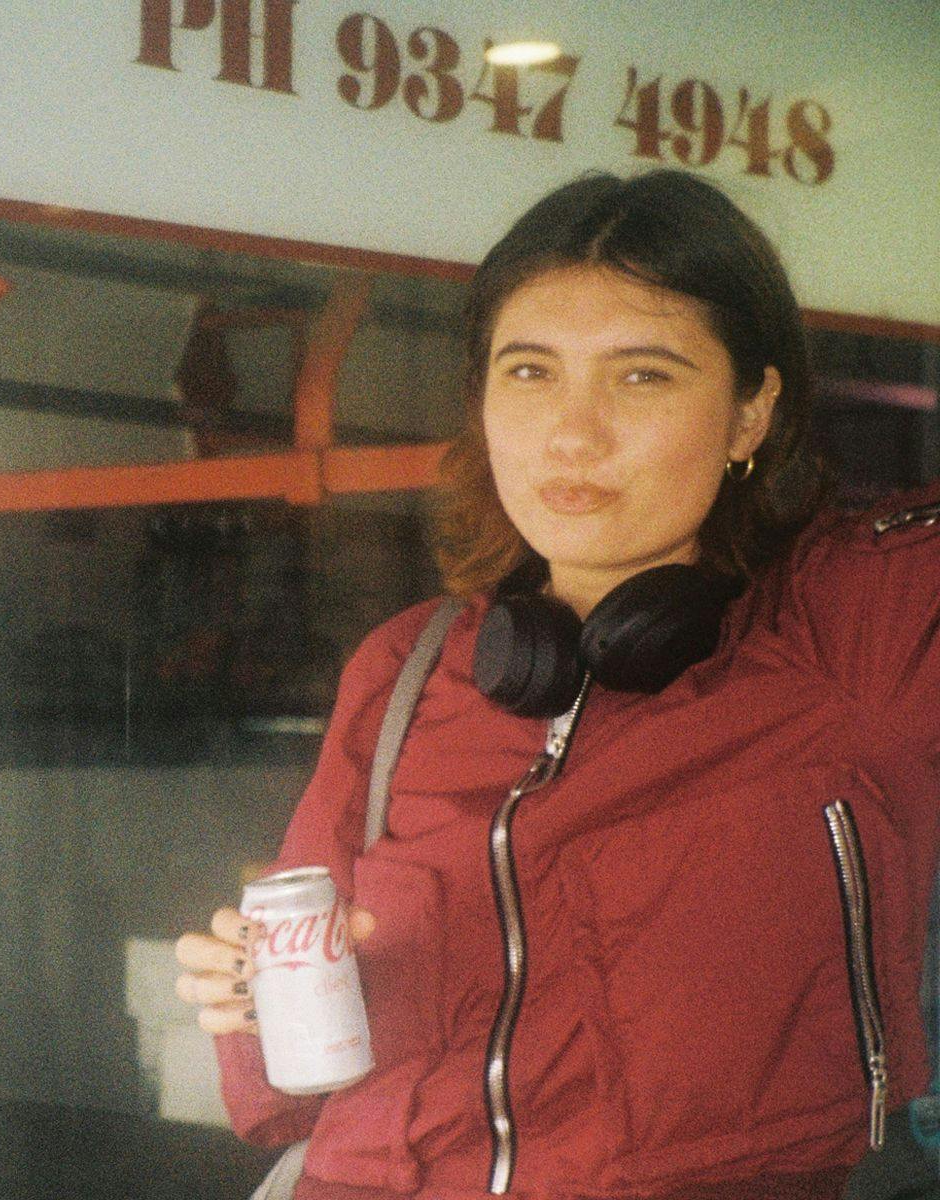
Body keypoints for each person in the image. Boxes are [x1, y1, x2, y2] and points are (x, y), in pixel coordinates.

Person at [174, 169, 940, 1200]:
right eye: (529, 372)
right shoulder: (406, 665)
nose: (571, 435)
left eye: (642, 376)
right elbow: (281, 1103)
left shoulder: (851, 634)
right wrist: (251, 1001)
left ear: (751, 414)